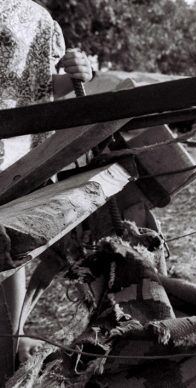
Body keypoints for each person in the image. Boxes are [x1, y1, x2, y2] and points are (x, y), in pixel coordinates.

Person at [0, 0, 93, 364]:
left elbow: (43, 88)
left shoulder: (36, 18)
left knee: (9, 247)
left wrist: (77, 73)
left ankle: (13, 340)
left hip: (13, 151)